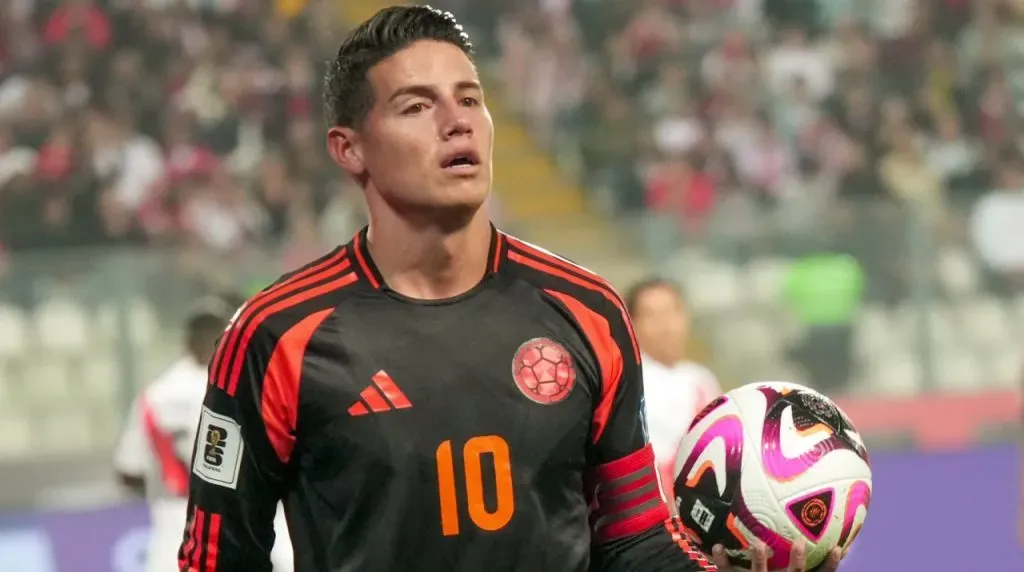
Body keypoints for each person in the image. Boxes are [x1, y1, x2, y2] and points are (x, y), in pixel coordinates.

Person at [177, 6, 840, 572]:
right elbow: (215, 561)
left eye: (470, 99)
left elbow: (632, 540)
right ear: (350, 149)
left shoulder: (587, 312)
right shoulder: (274, 336)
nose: (458, 122)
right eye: (417, 106)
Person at [113, 296, 293, 572]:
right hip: (248, 517)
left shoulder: (156, 394)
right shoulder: (242, 385)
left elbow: (128, 470)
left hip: (176, 522)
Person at [625, 278, 721, 503]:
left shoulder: (702, 380)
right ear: (631, 323)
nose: (665, 324)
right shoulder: (629, 384)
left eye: (671, 311)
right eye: (651, 315)